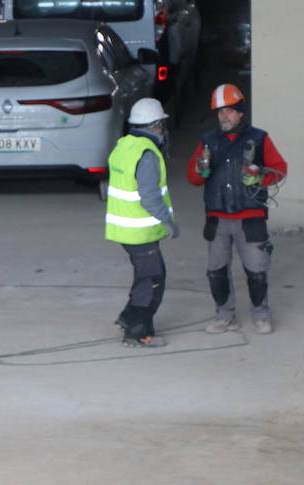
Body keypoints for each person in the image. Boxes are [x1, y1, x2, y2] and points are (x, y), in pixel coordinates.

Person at [185, 84, 288, 335]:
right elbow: (193, 178)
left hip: (250, 217)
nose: (224, 116)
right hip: (217, 218)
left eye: (229, 111)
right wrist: (200, 170)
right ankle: (225, 316)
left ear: (241, 113)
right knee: (216, 272)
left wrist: (260, 178)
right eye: (220, 112)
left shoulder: (260, 138)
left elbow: (280, 168)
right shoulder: (208, 141)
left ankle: (261, 315)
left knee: (257, 272)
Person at [105, 97, 181, 348]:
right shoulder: (146, 154)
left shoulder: (124, 146)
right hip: (140, 232)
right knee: (152, 279)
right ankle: (138, 331)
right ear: (156, 125)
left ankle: (129, 318)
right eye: (162, 125)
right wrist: (168, 222)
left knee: (145, 277)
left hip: (123, 229)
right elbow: (148, 197)